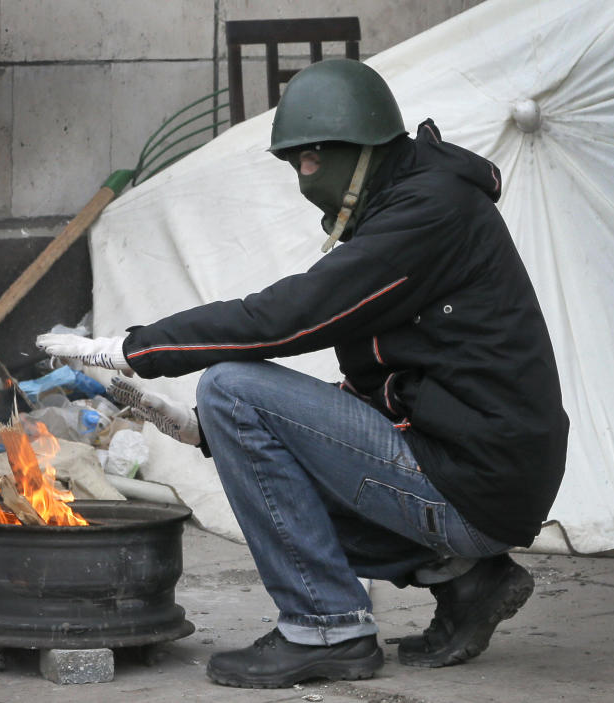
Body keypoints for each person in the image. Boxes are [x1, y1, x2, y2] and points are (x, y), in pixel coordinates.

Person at [37, 58, 569, 689]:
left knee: (233, 389)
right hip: (479, 468)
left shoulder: (429, 213)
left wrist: (133, 348)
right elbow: (400, 384)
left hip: (478, 481)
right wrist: (202, 433)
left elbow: (291, 319)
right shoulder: (416, 199)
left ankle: (327, 628)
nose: (300, 179)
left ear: (355, 150)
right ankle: (467, 581)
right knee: (247, 436)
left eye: (308, 161)